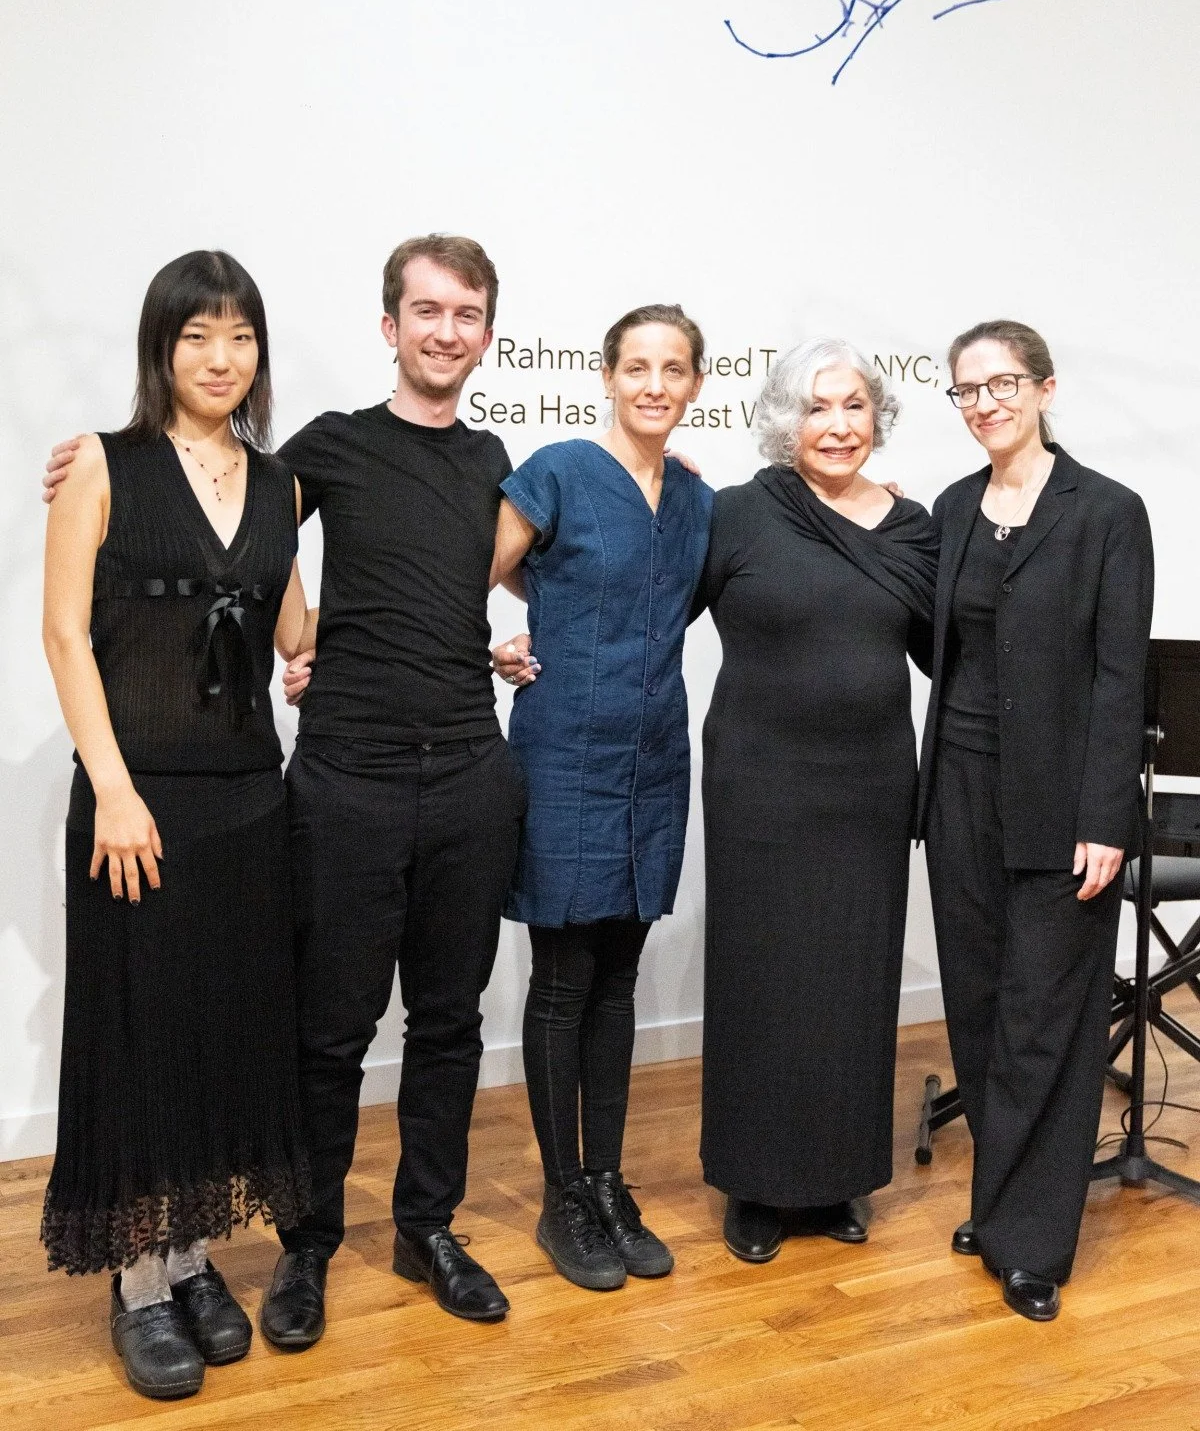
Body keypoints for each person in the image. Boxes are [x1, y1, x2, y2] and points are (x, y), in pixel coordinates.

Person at [44, 237, 526, 1340]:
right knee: (318, 1029)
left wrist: (489, 644)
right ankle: (296, 1244)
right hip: (323, 782)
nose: (445, 330)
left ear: (488, 334)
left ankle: (420, 1228)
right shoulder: (321, 450)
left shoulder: (485, 459)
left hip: (420, 778)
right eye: (425, 310)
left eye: (465, 314)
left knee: (438, 1022)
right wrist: (92, 467)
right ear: (390, 325)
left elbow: (284, 598)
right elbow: (158, 568)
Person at [40, 251, 313, 1402]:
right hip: (136, 802)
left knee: (220, 1030)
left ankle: (195, 1256)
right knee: (142, 1035)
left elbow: (292, 627)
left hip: (250, 798)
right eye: (198, 333)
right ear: (162, 346)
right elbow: (63, 635)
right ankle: (139, 1282)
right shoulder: (101, 465)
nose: (220, 355)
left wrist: (326, 657)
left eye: (240, 335)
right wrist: (110, 787)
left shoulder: (280, 483)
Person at [916, 320, 1153, 1323]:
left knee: (1045, 1020)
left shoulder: (1108, 511)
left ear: (1045, 389)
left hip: (1065, 806)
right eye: (967, 390)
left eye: (1003, 383)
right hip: (960, 789)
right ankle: (998, 1197)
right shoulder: (952, 508)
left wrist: (1107, 816)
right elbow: (940, 645)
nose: (985, 404)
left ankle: (1033, 1243)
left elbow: (1120, 675)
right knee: (977, 1009)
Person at [695, 338, 937, 1263]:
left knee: (852, 986)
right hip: (759, 790)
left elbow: (952, 653)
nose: (836, 426)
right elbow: (644, 610)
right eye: (815, 408)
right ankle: (755, 1185)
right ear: (782, 423)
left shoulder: (914, 530)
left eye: (853, 406)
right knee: (761, 985)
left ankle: (838, 1177)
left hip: (869, 794)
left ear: (878, 417)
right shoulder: (737, 514)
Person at [489, 305, 712, 1291]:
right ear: (608, 375)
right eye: (638, 366)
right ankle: (562, 1198)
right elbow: (470, 575)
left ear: (695, 383)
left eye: (674, 368)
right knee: (565, 978)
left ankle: (610, 1184)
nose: (655, 384)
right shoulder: (560, 472)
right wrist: (495, 646)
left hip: (653, 760)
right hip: (565, 755)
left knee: (620, 976)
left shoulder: (697, 500)